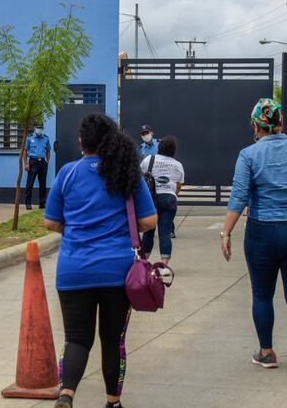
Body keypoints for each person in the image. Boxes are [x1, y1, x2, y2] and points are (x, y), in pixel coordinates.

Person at [44, 113, 157, 408]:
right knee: (112, 340)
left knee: (76, 339)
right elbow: (149, 219)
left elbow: (51, 223)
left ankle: (66, 394)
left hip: (73, 270)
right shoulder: (125, 173)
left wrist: (78, 228)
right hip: (117, 273)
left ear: (81, 141)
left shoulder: (67, 173)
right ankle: (112, 402)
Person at [219, 98, 287, 381]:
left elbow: (239, 196)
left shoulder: (248, 154)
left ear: (256, 126)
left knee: (262, 294)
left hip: (263, 233)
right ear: (281, 123)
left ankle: (266, 353)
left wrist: (226, 231)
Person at [140, 136, 184, 274]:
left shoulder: (149, 160)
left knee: (148, 232)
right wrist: (172, 195)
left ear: (160, 148)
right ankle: (164, 266)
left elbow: (140, 177)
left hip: (151, 199)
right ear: (173, 151)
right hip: (169, 198)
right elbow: (178, 185)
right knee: (164, 232)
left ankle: (144, 263)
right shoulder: (177, 165)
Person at [23, 123, 51, 210]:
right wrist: (26, 164)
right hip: (33, 162)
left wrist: (47, 160)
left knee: (43, 184)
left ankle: (42, 204)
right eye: (38, 128)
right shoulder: (29, 138)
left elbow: (48, 150)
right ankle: (28, 203)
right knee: (30, 183)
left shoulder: (46, 138)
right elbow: (25, 151)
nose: (39, 130)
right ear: (35, 129)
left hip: (42, 162)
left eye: (41, 128)